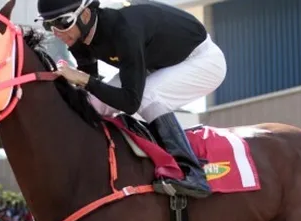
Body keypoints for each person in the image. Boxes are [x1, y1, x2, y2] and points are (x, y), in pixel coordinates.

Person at [37, 0, 228, 199]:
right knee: (96, 104)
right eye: (48, 25)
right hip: (155, 62)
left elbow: (130, 103)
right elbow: (90, 89)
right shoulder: (77, 38)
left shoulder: (124, 31)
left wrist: (83, 79)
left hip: (203, 61)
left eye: (62, 22)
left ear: (84, 15)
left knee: (147, 97)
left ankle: (193, 173)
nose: (56, 32)